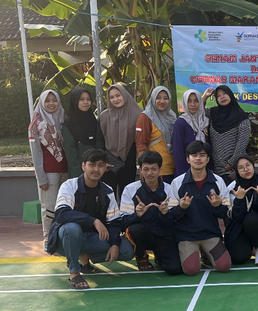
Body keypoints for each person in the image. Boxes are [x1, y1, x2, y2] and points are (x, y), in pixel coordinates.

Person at [45, 148, 134, 289]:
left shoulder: (107, 191)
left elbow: (114, 222)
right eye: (92, 165)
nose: (96, 169)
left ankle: (84, 257)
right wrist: (93, 221)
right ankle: (74, 272)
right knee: (72, 228)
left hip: (92, 239)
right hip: (66, 239)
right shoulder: (69, 185)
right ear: (83, 166)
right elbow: (62, 213)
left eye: (100, 165)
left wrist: (115, 244)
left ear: (105, 168)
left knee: (127, 250)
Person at [168, 141, 231, 275]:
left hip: (210, 234)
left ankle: (205, 251)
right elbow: (172, 215)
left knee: (224, 266)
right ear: (188, 159)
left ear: (208, 159)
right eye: (194, 155)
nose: (198, 158)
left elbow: (225, 213)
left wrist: (217, 206)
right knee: (191, 270)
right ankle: (197, 251)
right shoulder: (177, 182)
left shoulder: (218, 181)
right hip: (187, 236)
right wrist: (182, 207)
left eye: (202, 155)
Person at [119, 151, 182, 275]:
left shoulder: (170, 189)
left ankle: (160, 255)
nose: (149, 173)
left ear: (160, 169)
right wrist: (137, 215)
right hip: (144, 234)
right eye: (146, 169)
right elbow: (122, 222)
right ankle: (141, 255)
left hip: (165, 235)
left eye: (154, 169)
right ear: (140, 169)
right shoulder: (130, 189)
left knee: (174, 269)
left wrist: (166, 214)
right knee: (134, 229)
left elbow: (176, 220)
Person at [222, 154, 258, 265]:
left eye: (248, 165)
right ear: (236, 171)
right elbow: (234, 217)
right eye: (241, 168)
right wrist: (240, 200)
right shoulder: (232, 188)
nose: (246, 169)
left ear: (253, 166)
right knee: (238, 258)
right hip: (240, 226)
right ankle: (250, 245)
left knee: (251, 218)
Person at [29, 89, 68, 239]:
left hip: (66, 170)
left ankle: (62, 237)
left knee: (64, 206)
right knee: (49, 207)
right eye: (47, 100)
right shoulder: (36, 124)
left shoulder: (64, 119)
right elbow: (36, 153)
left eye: (54, 100)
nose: (51, 103)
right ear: (41, 103)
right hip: (49, 172)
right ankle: (48, 238)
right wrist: (41, 177)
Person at [97, 84, 143, 201]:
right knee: (108, 197)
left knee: (127, 195)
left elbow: (141, 140)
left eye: (118, 95)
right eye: (111, 97)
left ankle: (126, 218)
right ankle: (109, 219)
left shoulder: (138, 114)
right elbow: (100, 140)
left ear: (125, 95)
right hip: (108, 163)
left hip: (128, 163)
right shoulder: (104, 116)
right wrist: (102, 162)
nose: (115, 99)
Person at [201, 85, 251, 184]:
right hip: (215, 169)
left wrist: (232, 163)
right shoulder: (213, 113)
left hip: (234, 169)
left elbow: (242, 143)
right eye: (218, 96)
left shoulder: (241, 117)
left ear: (231, 95)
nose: (222, 97)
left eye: (224, 93)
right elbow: (198, 113)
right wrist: (205, 97)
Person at [136, 86, 177, 183]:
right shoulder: (145, 117)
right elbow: (141, 144)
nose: (162, 101)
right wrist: (143, 167)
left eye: (166, 98)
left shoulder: (172, 116)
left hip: (173, 169)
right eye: (158, 98)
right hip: (155, 171)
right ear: (153, 98)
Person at [172, 89, 209, 177]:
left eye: (196, 101)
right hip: (186, 171)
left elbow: (208, 147)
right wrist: (183, 173)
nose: (192, 104)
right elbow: (178, 150)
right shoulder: (181, 123)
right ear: (184, 102)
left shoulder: (205, 121)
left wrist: (210, 167)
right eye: (189, 101)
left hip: (204, 170)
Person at [62, 87, 97, 179]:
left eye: (88, 99)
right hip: (78, 172)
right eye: (81, 99)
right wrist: (78, 173)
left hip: (96, 171)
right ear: (75, 101)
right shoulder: (69, 124)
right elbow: (70, 151)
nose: (85, 102)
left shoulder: (94, 121)